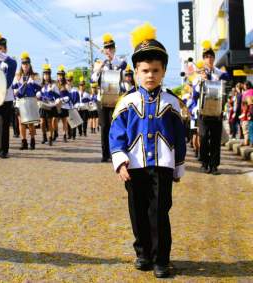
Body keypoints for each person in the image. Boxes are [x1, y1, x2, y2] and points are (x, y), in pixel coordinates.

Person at [109, 23, 186, 278]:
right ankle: (142, 252)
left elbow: (179, 136)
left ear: (164, 71)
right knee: (138, 211)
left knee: (160, 212)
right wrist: (120, 161)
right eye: (145, 70)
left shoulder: (172, 102)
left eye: (155, 70)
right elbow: (116, 133)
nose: (150, 75)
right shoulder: (126, 101)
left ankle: (161, 258)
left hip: (163, 166)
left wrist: (178, 165)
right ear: (135, 72)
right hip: (135, 166)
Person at [194, 40, 230, 174]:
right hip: (203, 112)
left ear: (214, 58)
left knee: (215, 140)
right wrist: (201, 80)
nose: (209, 59)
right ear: (203, 59)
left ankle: (214, 165)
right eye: (206, 57)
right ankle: (204, 163)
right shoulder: (198, 74)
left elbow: (225, 86)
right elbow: (195, 94)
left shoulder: (219, 74)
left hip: (217, 112)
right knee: (203, 138)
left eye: (211, 56)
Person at [91, 32, 127, 162]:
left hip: (116, 99)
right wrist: (98, 69)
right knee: (104, 126)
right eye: (106, 48)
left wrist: (112, 58)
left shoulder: (120, 61)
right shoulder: (100, 63)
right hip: (103, 99)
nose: (108, 50)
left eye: (111, 48)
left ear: (114, 49)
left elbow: (124, 69)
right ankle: (104, 153)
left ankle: (114, 152)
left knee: (114, 126)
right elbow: (93, 79)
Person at [12, 52, 41, 150]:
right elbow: (13, 88)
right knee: (21, 122)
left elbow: (39, 89)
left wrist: (33, 86)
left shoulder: (35, 76)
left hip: (30, 101)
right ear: (21, 65)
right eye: (23, 64)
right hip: (20, 101)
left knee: (30, 123)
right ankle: (23, 141)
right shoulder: (17, 76)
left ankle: (32, 140)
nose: (25, 65)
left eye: (27, 64)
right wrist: (15, 92)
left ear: (30, 64)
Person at [37, 64, 60, 146]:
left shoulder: (53, 84)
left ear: (50, 75)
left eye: (47, 74)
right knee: (42, 122)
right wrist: (38, 95)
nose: (46, 75)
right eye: (45, 74)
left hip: (51, 105)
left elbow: (57, 95)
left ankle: (50, 137)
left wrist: (57, 100)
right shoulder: (41, 85)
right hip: (43, 105)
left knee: (50, 122)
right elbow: (38, 95)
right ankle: (44, 137)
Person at [55, 65, 70, 143]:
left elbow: (69, 96)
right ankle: (55, 133)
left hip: (64, 106)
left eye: (61, 75)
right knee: (55, 120)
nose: (60, 77)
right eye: (59, 75)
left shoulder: (66, 85)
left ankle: (64, 135)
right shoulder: (55, 84)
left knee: (64, 121)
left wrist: (63, 100)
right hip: (57, 106)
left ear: (63, 76)